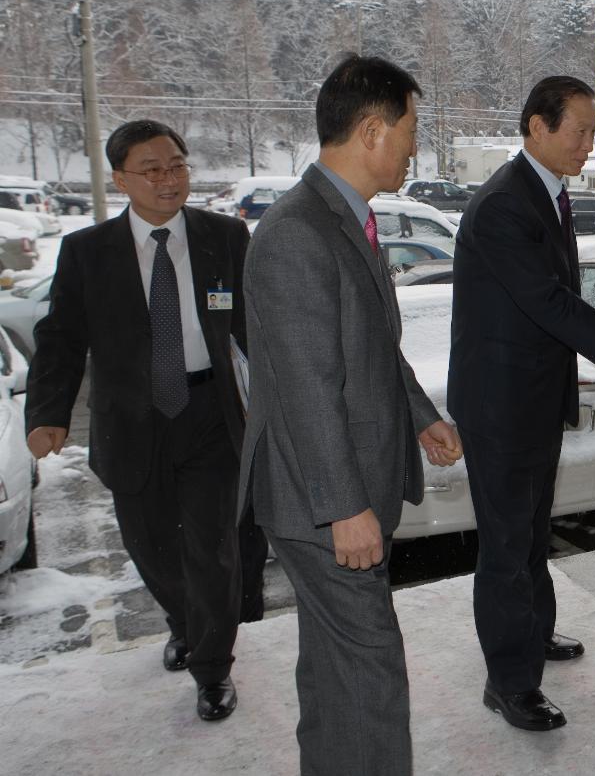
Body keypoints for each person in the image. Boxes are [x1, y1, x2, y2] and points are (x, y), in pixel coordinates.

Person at [238, 55, 463, 776]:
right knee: (372, 672)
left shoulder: (345, 218)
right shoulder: (298, 232)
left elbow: (369, 346)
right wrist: (344, 508)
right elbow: (307, 382)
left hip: (336, 493)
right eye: (409, 131)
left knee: (335, 668)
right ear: (371, 130)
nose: (412, 150)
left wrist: (419, 413)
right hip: (320, 505)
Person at [447, 75, 595, 732]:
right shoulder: (502, 205)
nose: (589, 143)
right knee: (505, 541)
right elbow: (547, 301)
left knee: (530, 529)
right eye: (579, 130)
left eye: (594, 131)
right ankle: (509, 682)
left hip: (534, 393)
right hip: (498, 403)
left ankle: (531, 632)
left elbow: (547, 309)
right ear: (535, 128)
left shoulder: (547, 195)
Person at [25, 119, 268, 721]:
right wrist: (48, 414)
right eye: (152, 170)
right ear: (120, 179)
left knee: (214, 548)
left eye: (177, 166)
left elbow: (254, 327)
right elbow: (60, 339)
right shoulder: (88, 251)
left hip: (210, 413)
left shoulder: (225, 236)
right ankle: (185, 622)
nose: (168, 180)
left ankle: (213, 668)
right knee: (151, 545)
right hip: (131, 421)